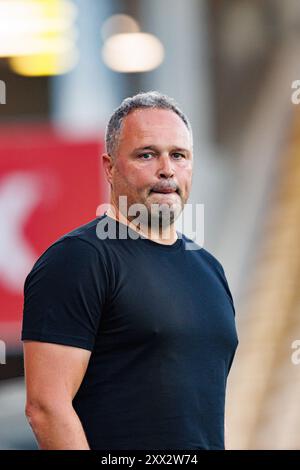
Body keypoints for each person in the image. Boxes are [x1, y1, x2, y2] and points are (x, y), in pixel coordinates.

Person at [21, 91, 238, 450]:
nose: (167, 169)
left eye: (178, 155)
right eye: (147, 155)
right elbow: (46, 408)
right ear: (109, 166)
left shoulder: (209, 269)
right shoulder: (78, 259)